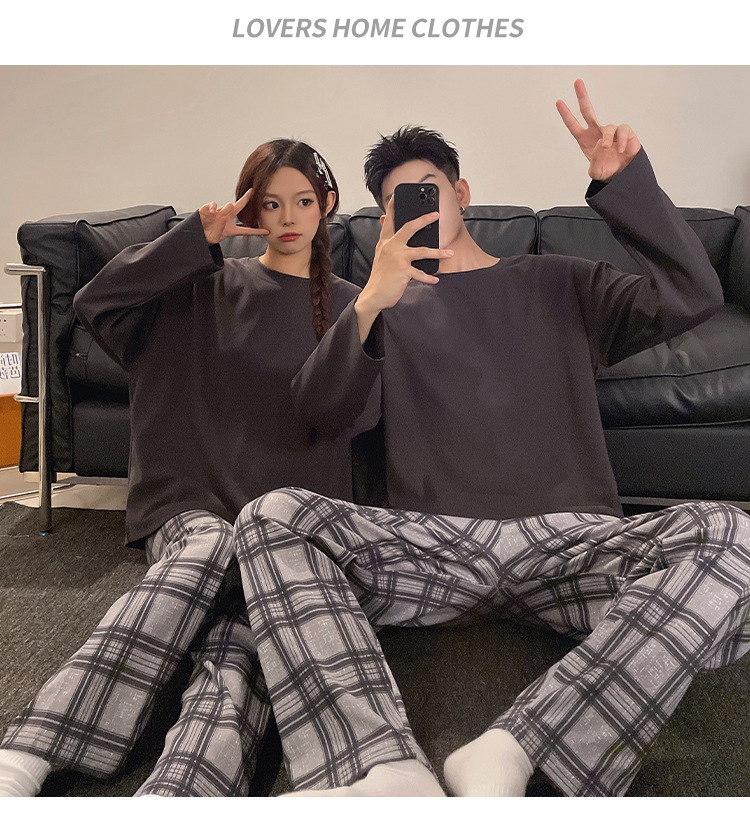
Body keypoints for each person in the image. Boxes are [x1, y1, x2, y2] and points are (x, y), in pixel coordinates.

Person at [229, 80, 750, 796]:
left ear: (463, 193)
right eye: (397, 203)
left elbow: (694, 295)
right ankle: (380, 767)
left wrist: (626, 184)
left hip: (570, 544)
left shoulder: (558, 282)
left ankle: (521, 750)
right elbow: (321, 412)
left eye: (429, 191)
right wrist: (373, 300)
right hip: (431, 550)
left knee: (732, 536)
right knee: (269, 518)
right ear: (382, 221)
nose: (417, 209)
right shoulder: (378, 306)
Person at [0, 139, 380, 797]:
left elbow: (360, 419)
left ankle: (183, 789)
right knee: (212, 546)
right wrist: (191, 240)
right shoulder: (204, 287)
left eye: (303, 201)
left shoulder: (356, 304)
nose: (288, 217)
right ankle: (26, 754)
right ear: (249, 209)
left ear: (328, 205)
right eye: (271, 203)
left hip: (282, 533)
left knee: (240, 649)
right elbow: (97, 302)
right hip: (191, 511)